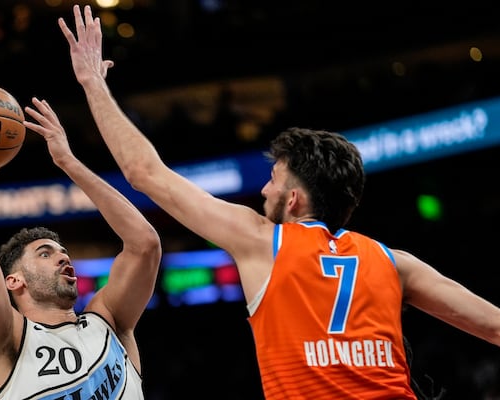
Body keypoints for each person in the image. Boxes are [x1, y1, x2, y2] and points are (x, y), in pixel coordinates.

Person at [52, 4, 500, 399]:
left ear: (293, 198)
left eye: (271, 180)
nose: (263, 190)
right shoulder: (394, 262)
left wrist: (93, 83)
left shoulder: (261, 240)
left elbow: (145, 173)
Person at [0, 94, 161, 399]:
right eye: (45, 253)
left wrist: (68, 162)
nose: (61, 257)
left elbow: (145, 244)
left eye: (63, 252)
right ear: (14, 281)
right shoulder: (9, 341)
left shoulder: (109, 321)